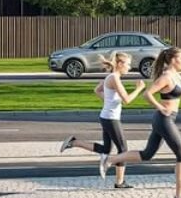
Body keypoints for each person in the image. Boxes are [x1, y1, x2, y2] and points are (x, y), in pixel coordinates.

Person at [103, 46, 181, 198]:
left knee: (147, 154)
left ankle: (111, 159)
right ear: (173, 60)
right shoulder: (166, 77)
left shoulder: (177, 76)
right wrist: (160, 107)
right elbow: (147, 93)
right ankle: (179, 197)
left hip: (167, 119)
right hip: (164, 119)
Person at [58, 52, 144, 188]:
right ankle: (119, 182)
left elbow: (97, 90)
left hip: (106, 116)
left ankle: (74, 142)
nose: (129, 67)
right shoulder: (114, 78)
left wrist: (109, 101)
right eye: (127, 64)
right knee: (123, 149)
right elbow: (127, 100)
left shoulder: (110, 77)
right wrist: (139, 89)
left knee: (106, 148)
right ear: (120, 64)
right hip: (111, 118)